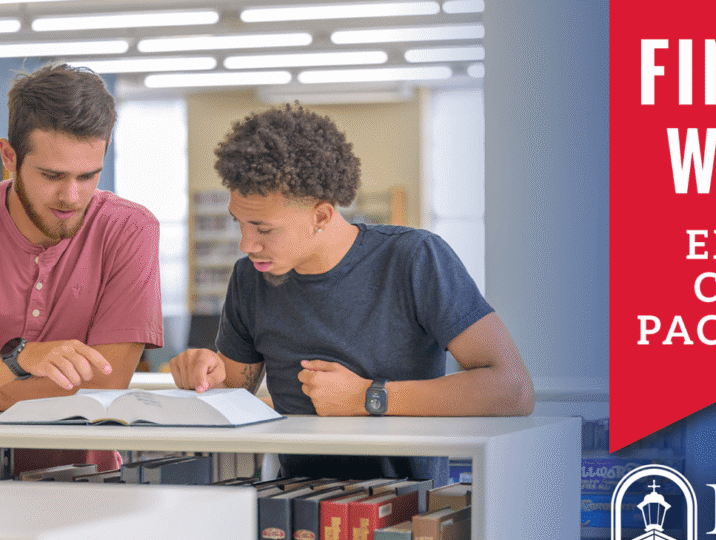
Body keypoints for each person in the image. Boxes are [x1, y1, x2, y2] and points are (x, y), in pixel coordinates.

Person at [169, 105, 533, 485]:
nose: (246, 244)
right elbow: (234, 393)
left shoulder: (414, 258)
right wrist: (204, 370)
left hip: (407, 511)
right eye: (239, 223)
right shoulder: (250, 278)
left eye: (264, 229)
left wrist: (367, 397)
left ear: (322, 216)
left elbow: (512, 389)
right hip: (293, 508)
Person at [0, 64, 163, 478]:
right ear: (9, 156)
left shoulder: (130, 230)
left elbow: (103, 391)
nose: (71, 197)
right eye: (52, 175)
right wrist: (22, 359)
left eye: (88, 176)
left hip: (92, 488)